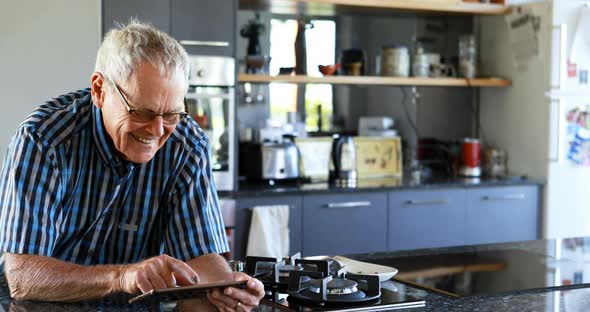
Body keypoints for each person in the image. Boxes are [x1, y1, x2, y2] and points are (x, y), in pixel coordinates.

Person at [0, 21, 264, 310]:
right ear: (99, 90)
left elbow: (200, 256)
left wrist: (226, 287)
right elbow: (22, 276)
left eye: (172, 114)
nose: (157, 130)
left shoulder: (187, 146)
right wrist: (121, 276)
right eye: (142, 112)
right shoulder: (44, 140)